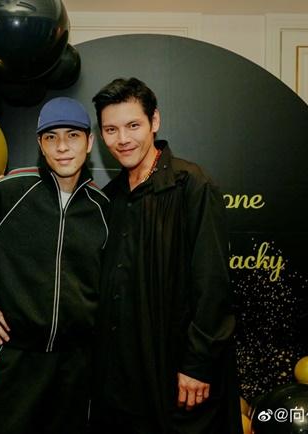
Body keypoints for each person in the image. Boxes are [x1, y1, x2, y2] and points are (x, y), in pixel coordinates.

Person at [0, 97, 109, 434]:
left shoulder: (103, 208)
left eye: (72, 135)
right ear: (40, 145)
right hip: (17, 358)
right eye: (51, 137)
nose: (62, 147)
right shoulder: (11, 191)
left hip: (76, 366)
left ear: (89, 142)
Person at [89, 78, 241, 434]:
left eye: (133, 126)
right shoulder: (110, 198)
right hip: (124, 377)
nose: (122, 139)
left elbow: (212, 283)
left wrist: (198, 364)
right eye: (111, 129)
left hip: (179, 372)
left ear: (154, 121)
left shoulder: (192, 184)